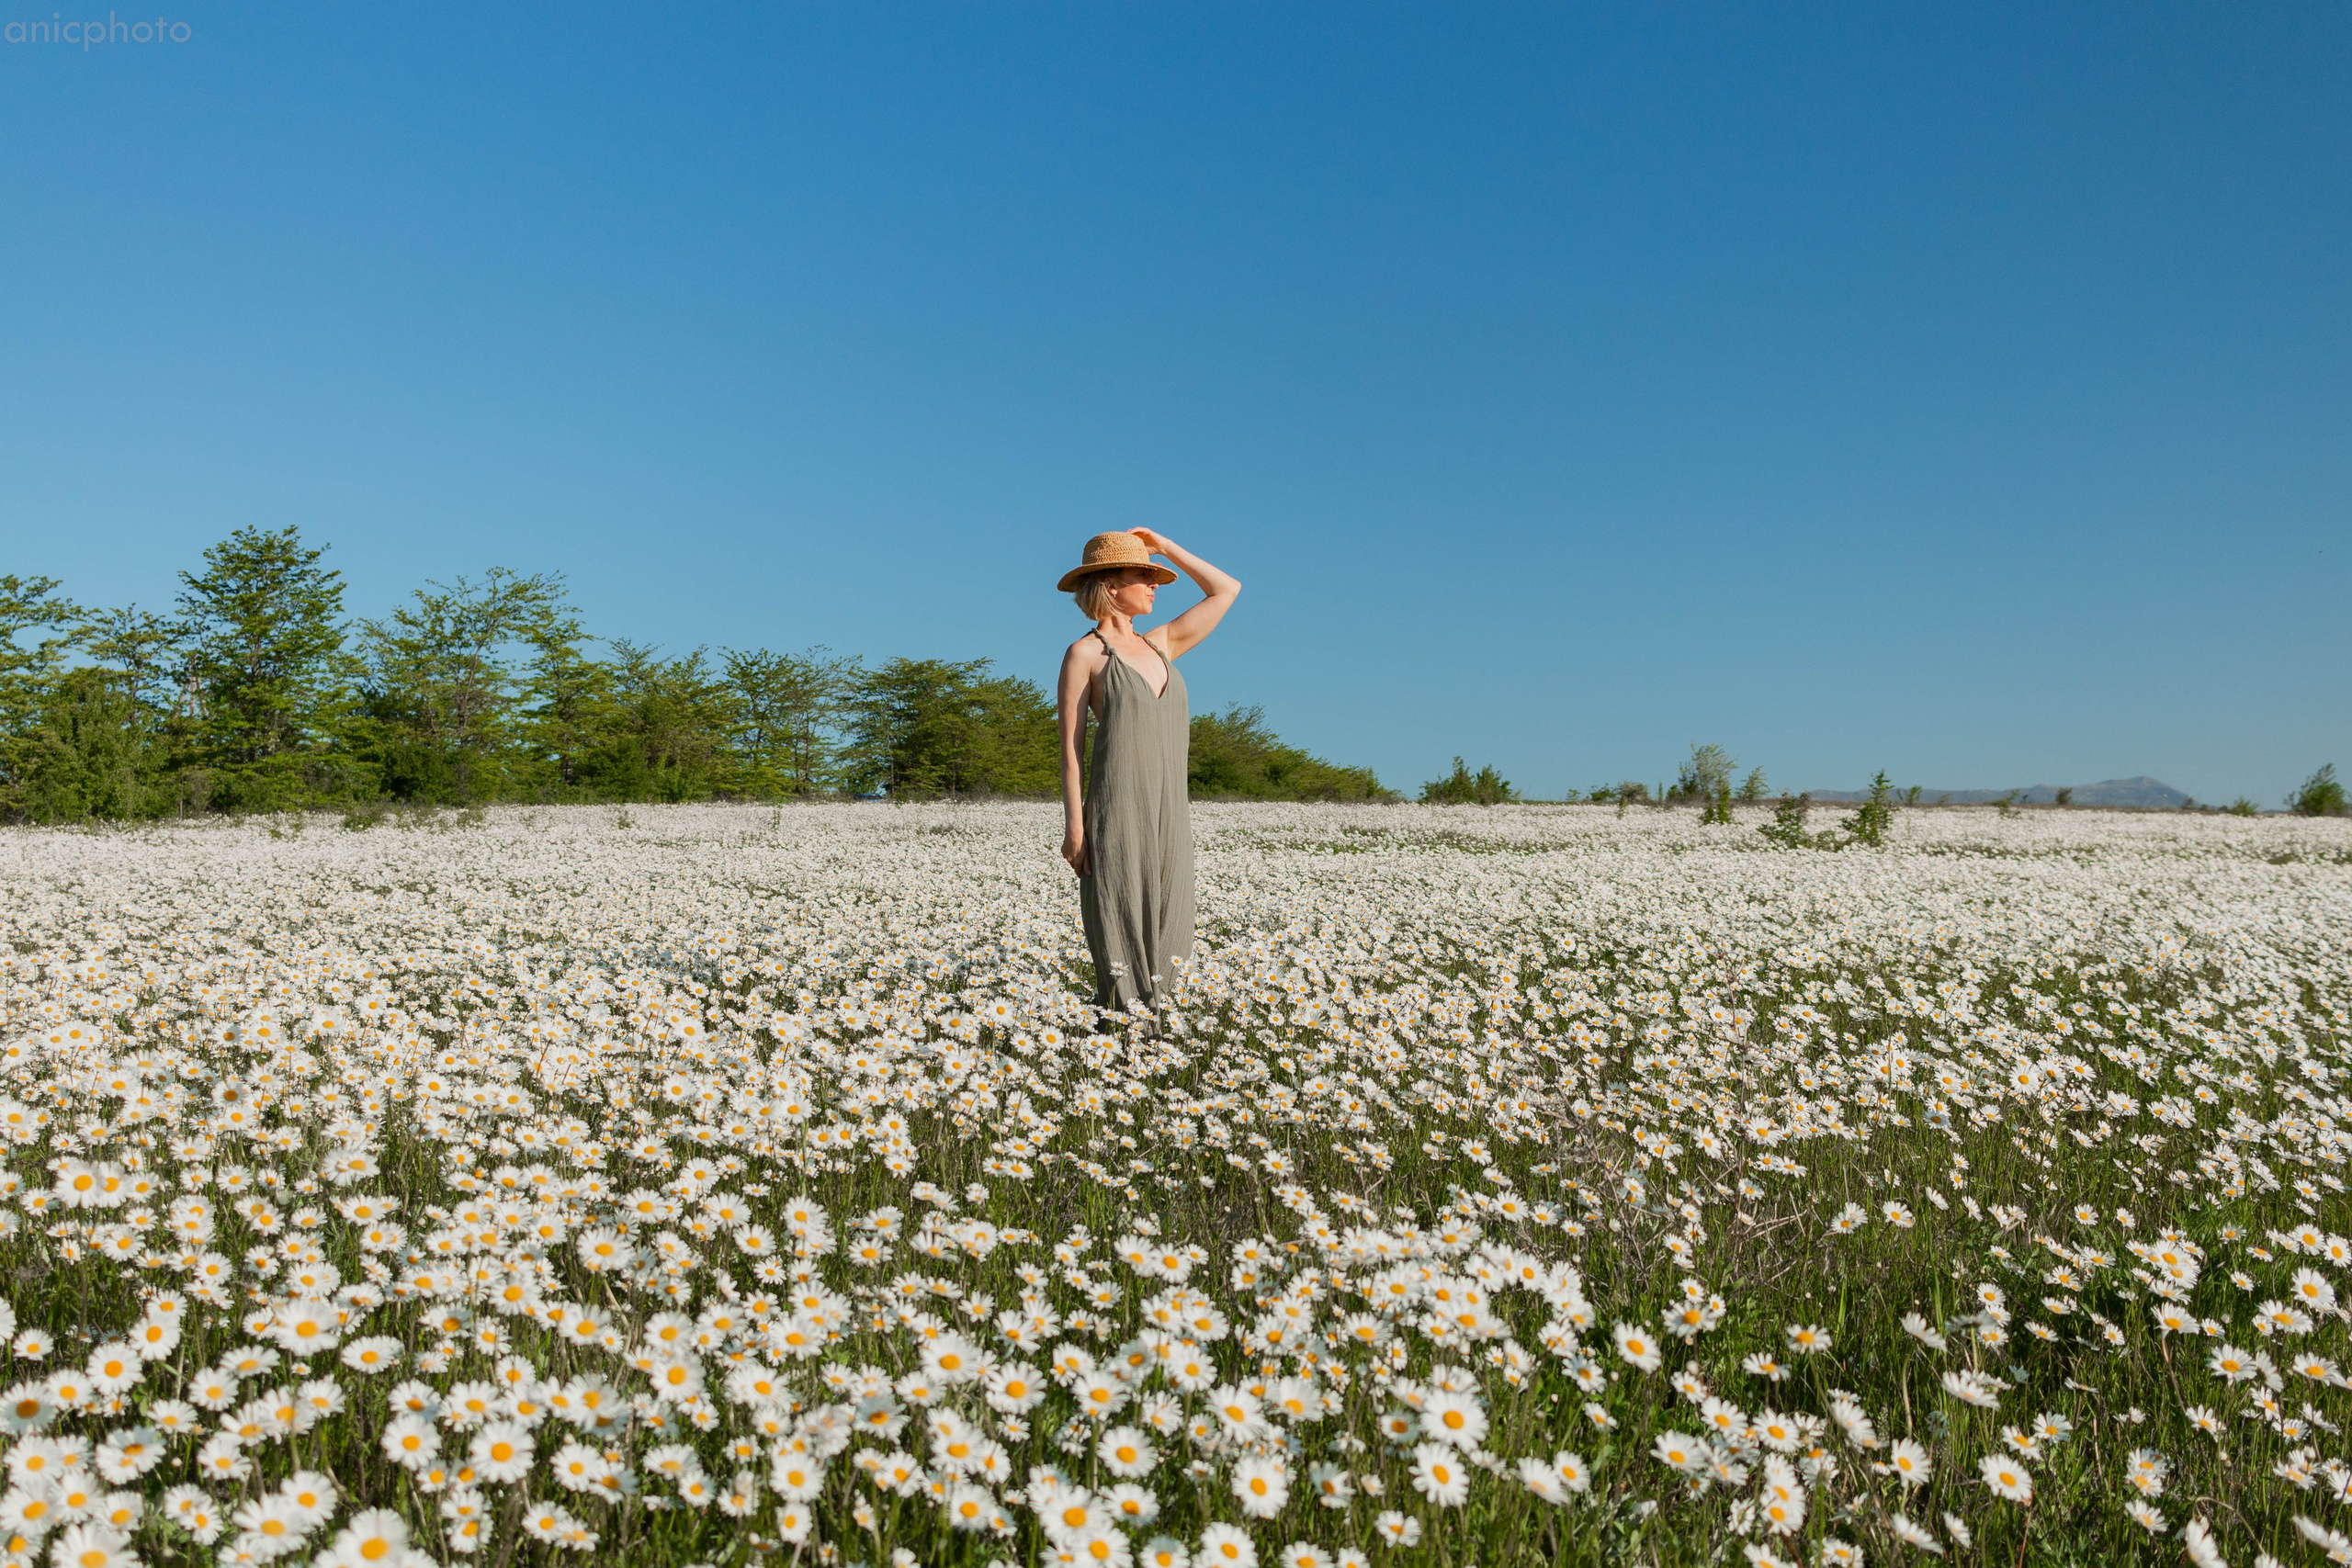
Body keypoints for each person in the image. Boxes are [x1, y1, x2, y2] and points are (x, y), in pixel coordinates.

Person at [1054, 529, 1241, 1012]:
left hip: (1171, 814)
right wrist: (1076, 828)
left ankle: (1159, 1038)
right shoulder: (1085, 655)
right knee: (1119, 918)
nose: (1155, 586)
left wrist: (1166, 546)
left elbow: (1227, 590)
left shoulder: (1163, 644)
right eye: (1145, 576)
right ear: (1111, 586)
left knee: (1171, 920)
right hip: (1116, 809)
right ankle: (1121, 1033)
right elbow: (1072, 749)